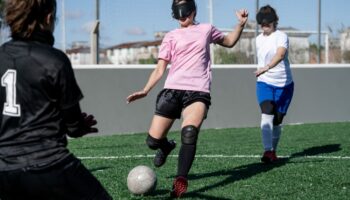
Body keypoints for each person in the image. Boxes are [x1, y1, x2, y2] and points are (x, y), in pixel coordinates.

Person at [126, 0, 248, 197]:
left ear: (193, 11)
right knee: (152, 142)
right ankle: (166, 146)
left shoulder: (207, 29)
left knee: (189, 132)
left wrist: (240, 25)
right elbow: (160, 68)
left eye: (186, 12)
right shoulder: (171, 36)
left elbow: (229, 42)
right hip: (172, 91)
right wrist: (145, 90)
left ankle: (180, 180)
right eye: (178, 13)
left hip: (198, 91)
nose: (183, 16)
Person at [0, 0, 112, 199]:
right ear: (49, 17)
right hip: (49, 164)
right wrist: (79, 126)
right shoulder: (54, 60)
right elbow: (74, 127)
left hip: (5, 172)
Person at [254, 5, 294, 164]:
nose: (264, 25)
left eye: (267, 22)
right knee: (267, 111)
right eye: (262, 23)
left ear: (274, 21)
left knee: (277, 120)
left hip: (285, 85)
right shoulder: (257, 39)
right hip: (264, 82)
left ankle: (273, 151)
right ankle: (267, 150)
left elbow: (280, 54)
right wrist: (263, 71)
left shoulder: (281, 36)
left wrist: (268, 67)